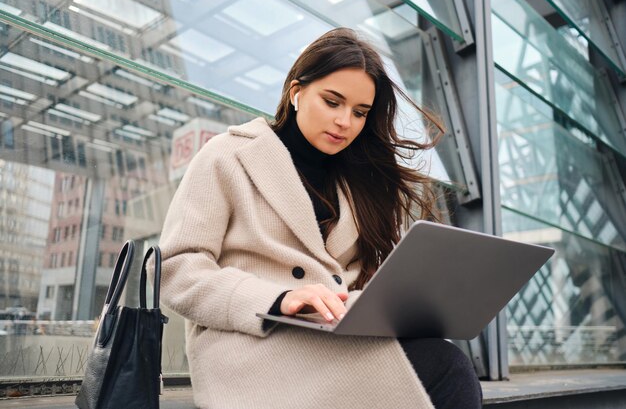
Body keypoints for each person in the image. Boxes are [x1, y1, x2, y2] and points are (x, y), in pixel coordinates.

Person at [155, 28, 482, 409]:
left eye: (360, 112)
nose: (345, 121)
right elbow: (176, 269)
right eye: (332, 102)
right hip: (252, 344)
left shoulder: (357, 182)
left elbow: (347, 279)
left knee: (444, 360)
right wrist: (280, 298)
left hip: (330, 337)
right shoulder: (227, 156)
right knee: (443, 367)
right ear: (296, 92)